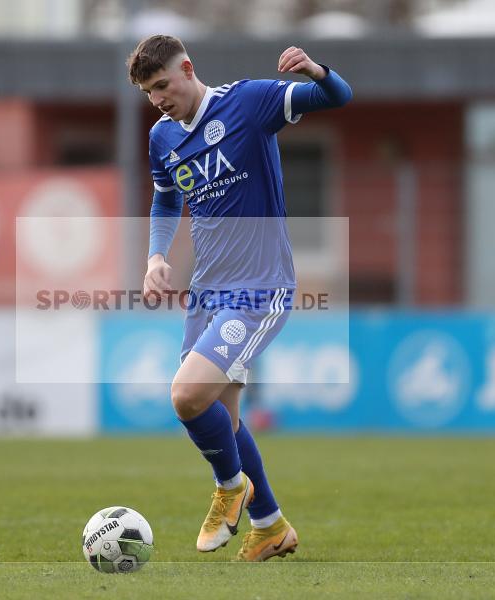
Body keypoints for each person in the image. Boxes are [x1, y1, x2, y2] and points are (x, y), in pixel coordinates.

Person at [127, 34, 352, 562]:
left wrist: (316, 72)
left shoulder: (248, 103)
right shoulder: (162, 136)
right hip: (207, 291)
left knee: (185, 396)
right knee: (220, 418)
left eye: (163, 85)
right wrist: (156, 257)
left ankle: (230, 485)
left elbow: (338, 98)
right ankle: (270, 525)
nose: (158, 99)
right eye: (148, 92)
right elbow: (164, 198)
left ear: (187, 68)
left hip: (259, 286)